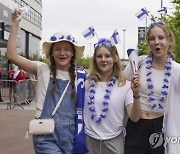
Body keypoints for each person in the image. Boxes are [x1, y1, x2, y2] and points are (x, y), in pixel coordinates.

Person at [7, 8, 87, 154]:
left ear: (73, 53)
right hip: (46, 135)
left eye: (67, 49)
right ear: (51, 53)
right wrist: (14, 25)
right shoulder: (43, 69)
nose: (62, 53)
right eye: (58, 49)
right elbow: (12, 55)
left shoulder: (81, 76)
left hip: (71, 135)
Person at [123, 21, 179, 154]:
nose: (156, 42)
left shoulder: (177, 70)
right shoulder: (138, 64)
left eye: (161, 38)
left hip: (160, 126)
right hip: (136, 125)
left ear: (169, 41)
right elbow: (121, 86)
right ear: (148, 42)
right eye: (152, 38)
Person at [84, 38, 141, 154]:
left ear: (115, 58)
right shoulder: (86, 83)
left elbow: (135, 117)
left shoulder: (126, 86)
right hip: (88, 142)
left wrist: (136, 95)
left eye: (107, 56)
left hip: (114, 143)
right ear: (95, 59)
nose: (103, 60)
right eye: (99, 56)